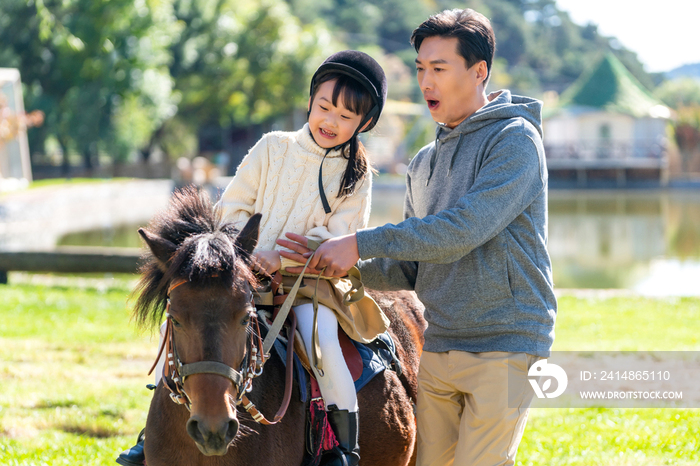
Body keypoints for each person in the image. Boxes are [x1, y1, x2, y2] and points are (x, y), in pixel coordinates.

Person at [278, 9, 557, 466]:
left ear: (479, 71)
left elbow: (462, 230)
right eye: (421, 69)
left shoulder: (515, 139)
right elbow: (409, 266)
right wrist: (325, 262)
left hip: (505, 342)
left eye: (440, 69)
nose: (426, 82)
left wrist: (359, 242)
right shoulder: (424, 162)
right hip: (441, 342)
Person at [116, 50, 389, 466]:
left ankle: (342, 445)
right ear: (310, 101)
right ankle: (148, 433)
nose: (331, 121)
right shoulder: (271, 148)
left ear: (364, 123)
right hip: (241, 274)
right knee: (177, 326)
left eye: (346, 117)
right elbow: (233, 207)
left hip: (310, 286)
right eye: (324, 107)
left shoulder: (358, 175)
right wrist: (246, 252)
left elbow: (340, 235)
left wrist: (284, 258)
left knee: (322, 339)